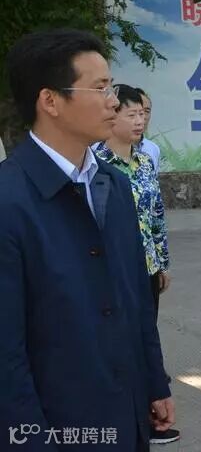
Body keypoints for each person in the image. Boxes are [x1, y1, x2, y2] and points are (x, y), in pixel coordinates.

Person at [0, 29, 174, 451]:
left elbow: (137, 301)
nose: (114, 101)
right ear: (50, 101)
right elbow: (6, 354)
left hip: (127, 413)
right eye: (100, 88)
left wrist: (155, 382)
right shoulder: (9, 200)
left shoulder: (114, 184)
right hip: (58, 423)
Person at [93, 83, 179, 445]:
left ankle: (149, 412)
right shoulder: (94, 164)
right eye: (131, 114)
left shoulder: (144, 162)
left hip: (146, 268)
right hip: (110, 271)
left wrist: (162, 263)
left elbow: (156, 216)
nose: (140, 121)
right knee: (115, 342)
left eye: (142, 114)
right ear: (112, 117)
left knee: (146, 338)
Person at [134, 88, 161, 172]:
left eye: (146, 111)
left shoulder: (153, 148)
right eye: (135, 112)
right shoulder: (102, 148)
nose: (143, 117)